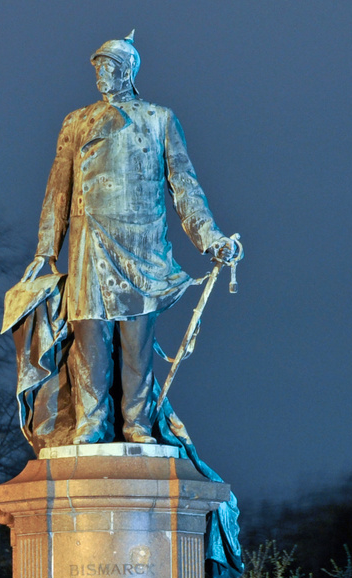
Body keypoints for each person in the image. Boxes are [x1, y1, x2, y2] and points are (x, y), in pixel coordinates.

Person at [19, 31, 242, 444]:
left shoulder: (159, 119)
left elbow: (185, 187)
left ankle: (137, 424)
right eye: (98, 67)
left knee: (136, 342)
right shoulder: (76, 121)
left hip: (142, 243)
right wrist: (46, 249)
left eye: (109, 66)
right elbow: (58, 190)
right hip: (89, 241)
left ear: (127, 71)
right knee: (89, 338)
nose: (101, 74)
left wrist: (211, 238)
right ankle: (91, 422)